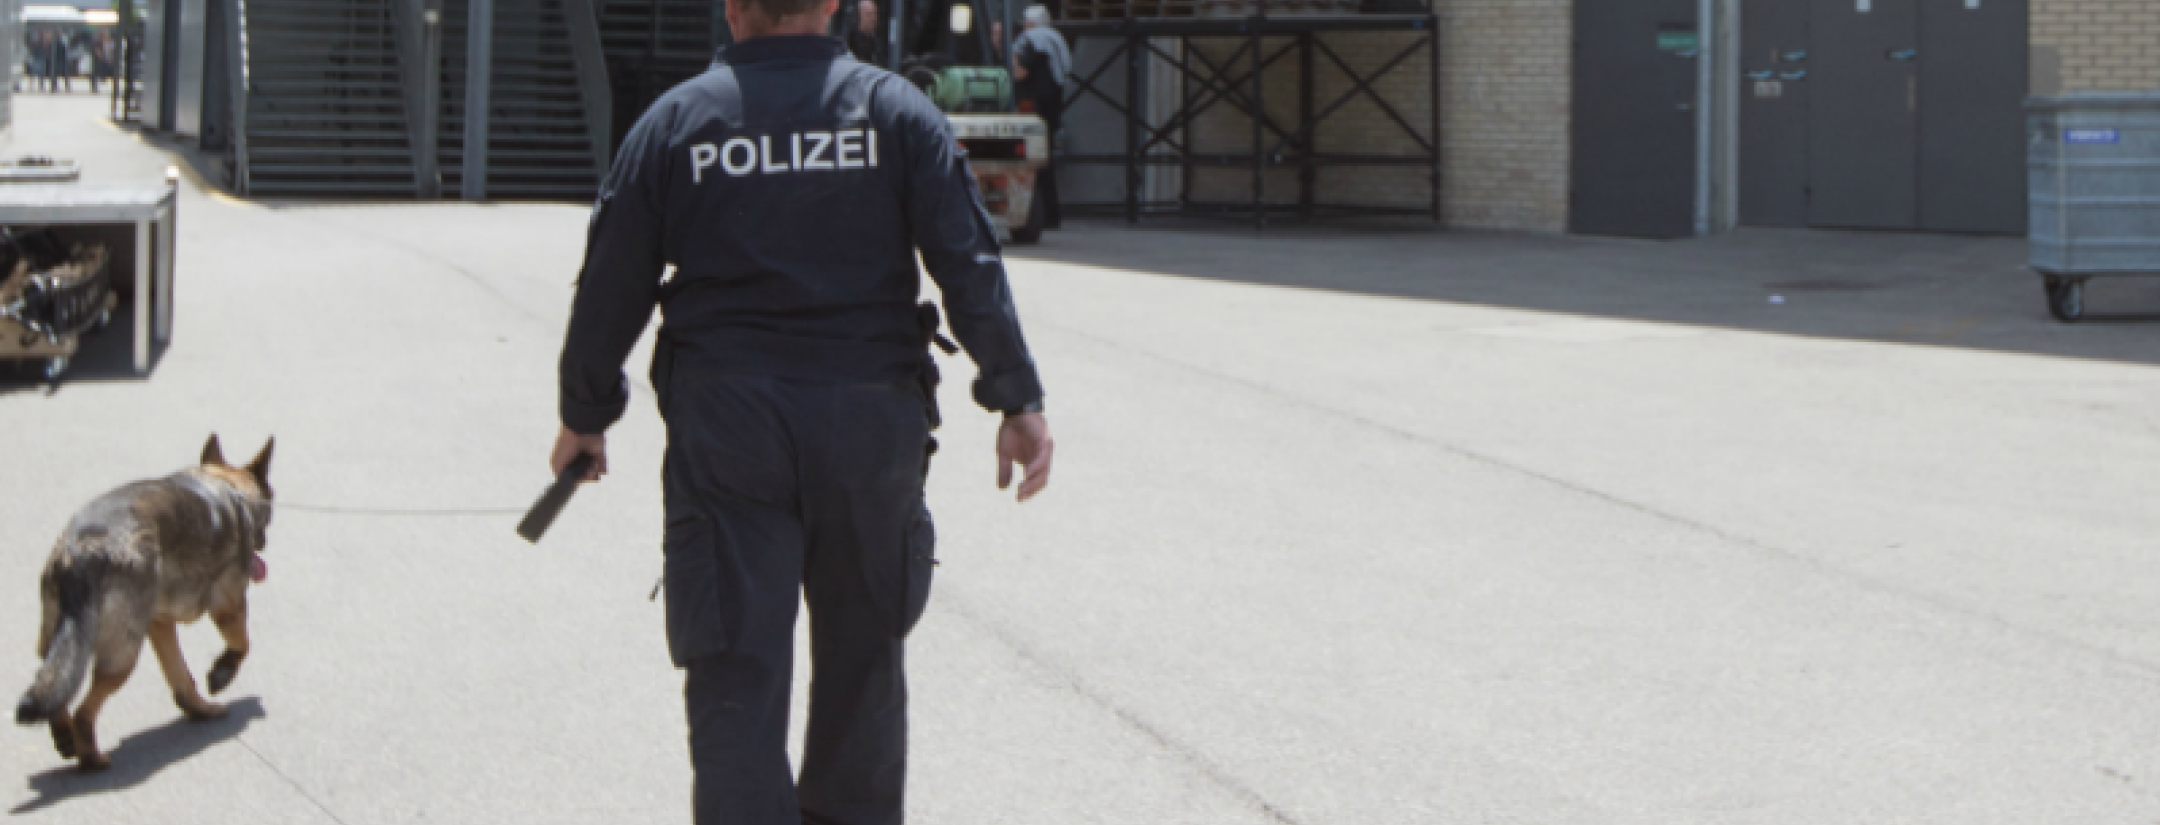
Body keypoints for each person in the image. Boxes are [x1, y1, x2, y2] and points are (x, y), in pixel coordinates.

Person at [548, 0, 1055, 818]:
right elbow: (968, 262)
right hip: (868, 425)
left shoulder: (676, 122)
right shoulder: (896, 114)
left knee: (735, 676)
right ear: (835, 5)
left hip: (729, 429)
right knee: (863, 668)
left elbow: (612, 282)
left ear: (730, 7)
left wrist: (586, 414)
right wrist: (1015, 396)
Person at [1010, 5, 1067, 229]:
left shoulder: (1031, 39)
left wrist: (1010, 60)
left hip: (1035, 110)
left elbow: (1020, 71)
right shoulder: (1056, 39)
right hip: (1053, 108)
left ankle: (1044, 214)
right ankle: (1053, 213)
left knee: (1035, 163)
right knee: (1047, 161)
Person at [845, 0, 882, 65]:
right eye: (868, 14)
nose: (873, 18)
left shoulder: (875, 40)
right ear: (859, 16)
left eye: (875, 13)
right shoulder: (851, 40)